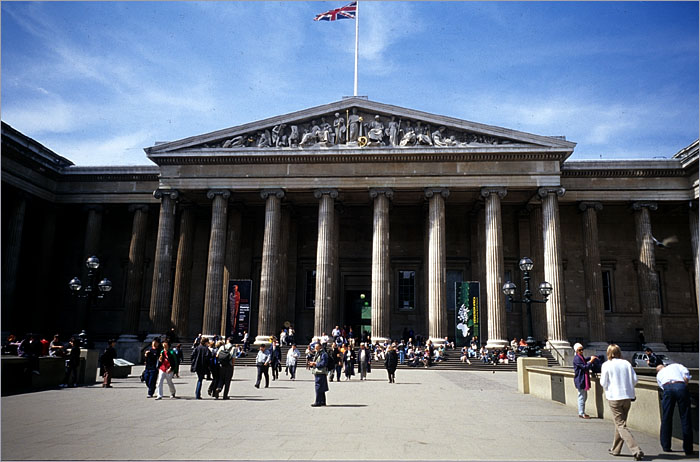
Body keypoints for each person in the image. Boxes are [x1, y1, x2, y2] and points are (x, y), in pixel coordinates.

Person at [599, 344, 643, 460]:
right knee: (620, 424)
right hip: (627, 397)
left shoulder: (606, 365)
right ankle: (616, 449)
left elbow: (603, 382)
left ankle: (636, 450)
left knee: (620, 425)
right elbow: (635, 380)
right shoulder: (626, 363)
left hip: (614, 397)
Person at [656, 363, 695, 455]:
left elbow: (662, 387)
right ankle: (688, 449)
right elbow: (686, 373)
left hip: (667, 388)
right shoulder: (675, 365)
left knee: (666, 418)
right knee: (685, 417)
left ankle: (666, 446)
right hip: (680, 386)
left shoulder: (659, 375)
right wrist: (685, 382)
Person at [573, 342, 597, 419]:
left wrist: (590, 357)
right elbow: (585, 367)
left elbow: (584, 360)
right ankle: (581, 413)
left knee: (584, 396)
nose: (582, 351)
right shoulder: (577, 358)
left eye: (582, 349)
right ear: (576, 351)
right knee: (582, 396)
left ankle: (582, 412)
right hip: (580, 380)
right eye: (580, 350)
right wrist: (591, 361)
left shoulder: (580, 357)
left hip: (582, 379)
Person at [308, 342, 329, 407]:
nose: (315, 348)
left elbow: (324, 363)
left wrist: (315, 364)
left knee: (318, 387)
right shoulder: (318, 353)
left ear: (320, 347)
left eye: (316, 347)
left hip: (321, 372)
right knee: (321, 387)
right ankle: (322, 401)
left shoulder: (323, 354)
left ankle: (318, 402)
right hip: (318, 372)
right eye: (315, 347)